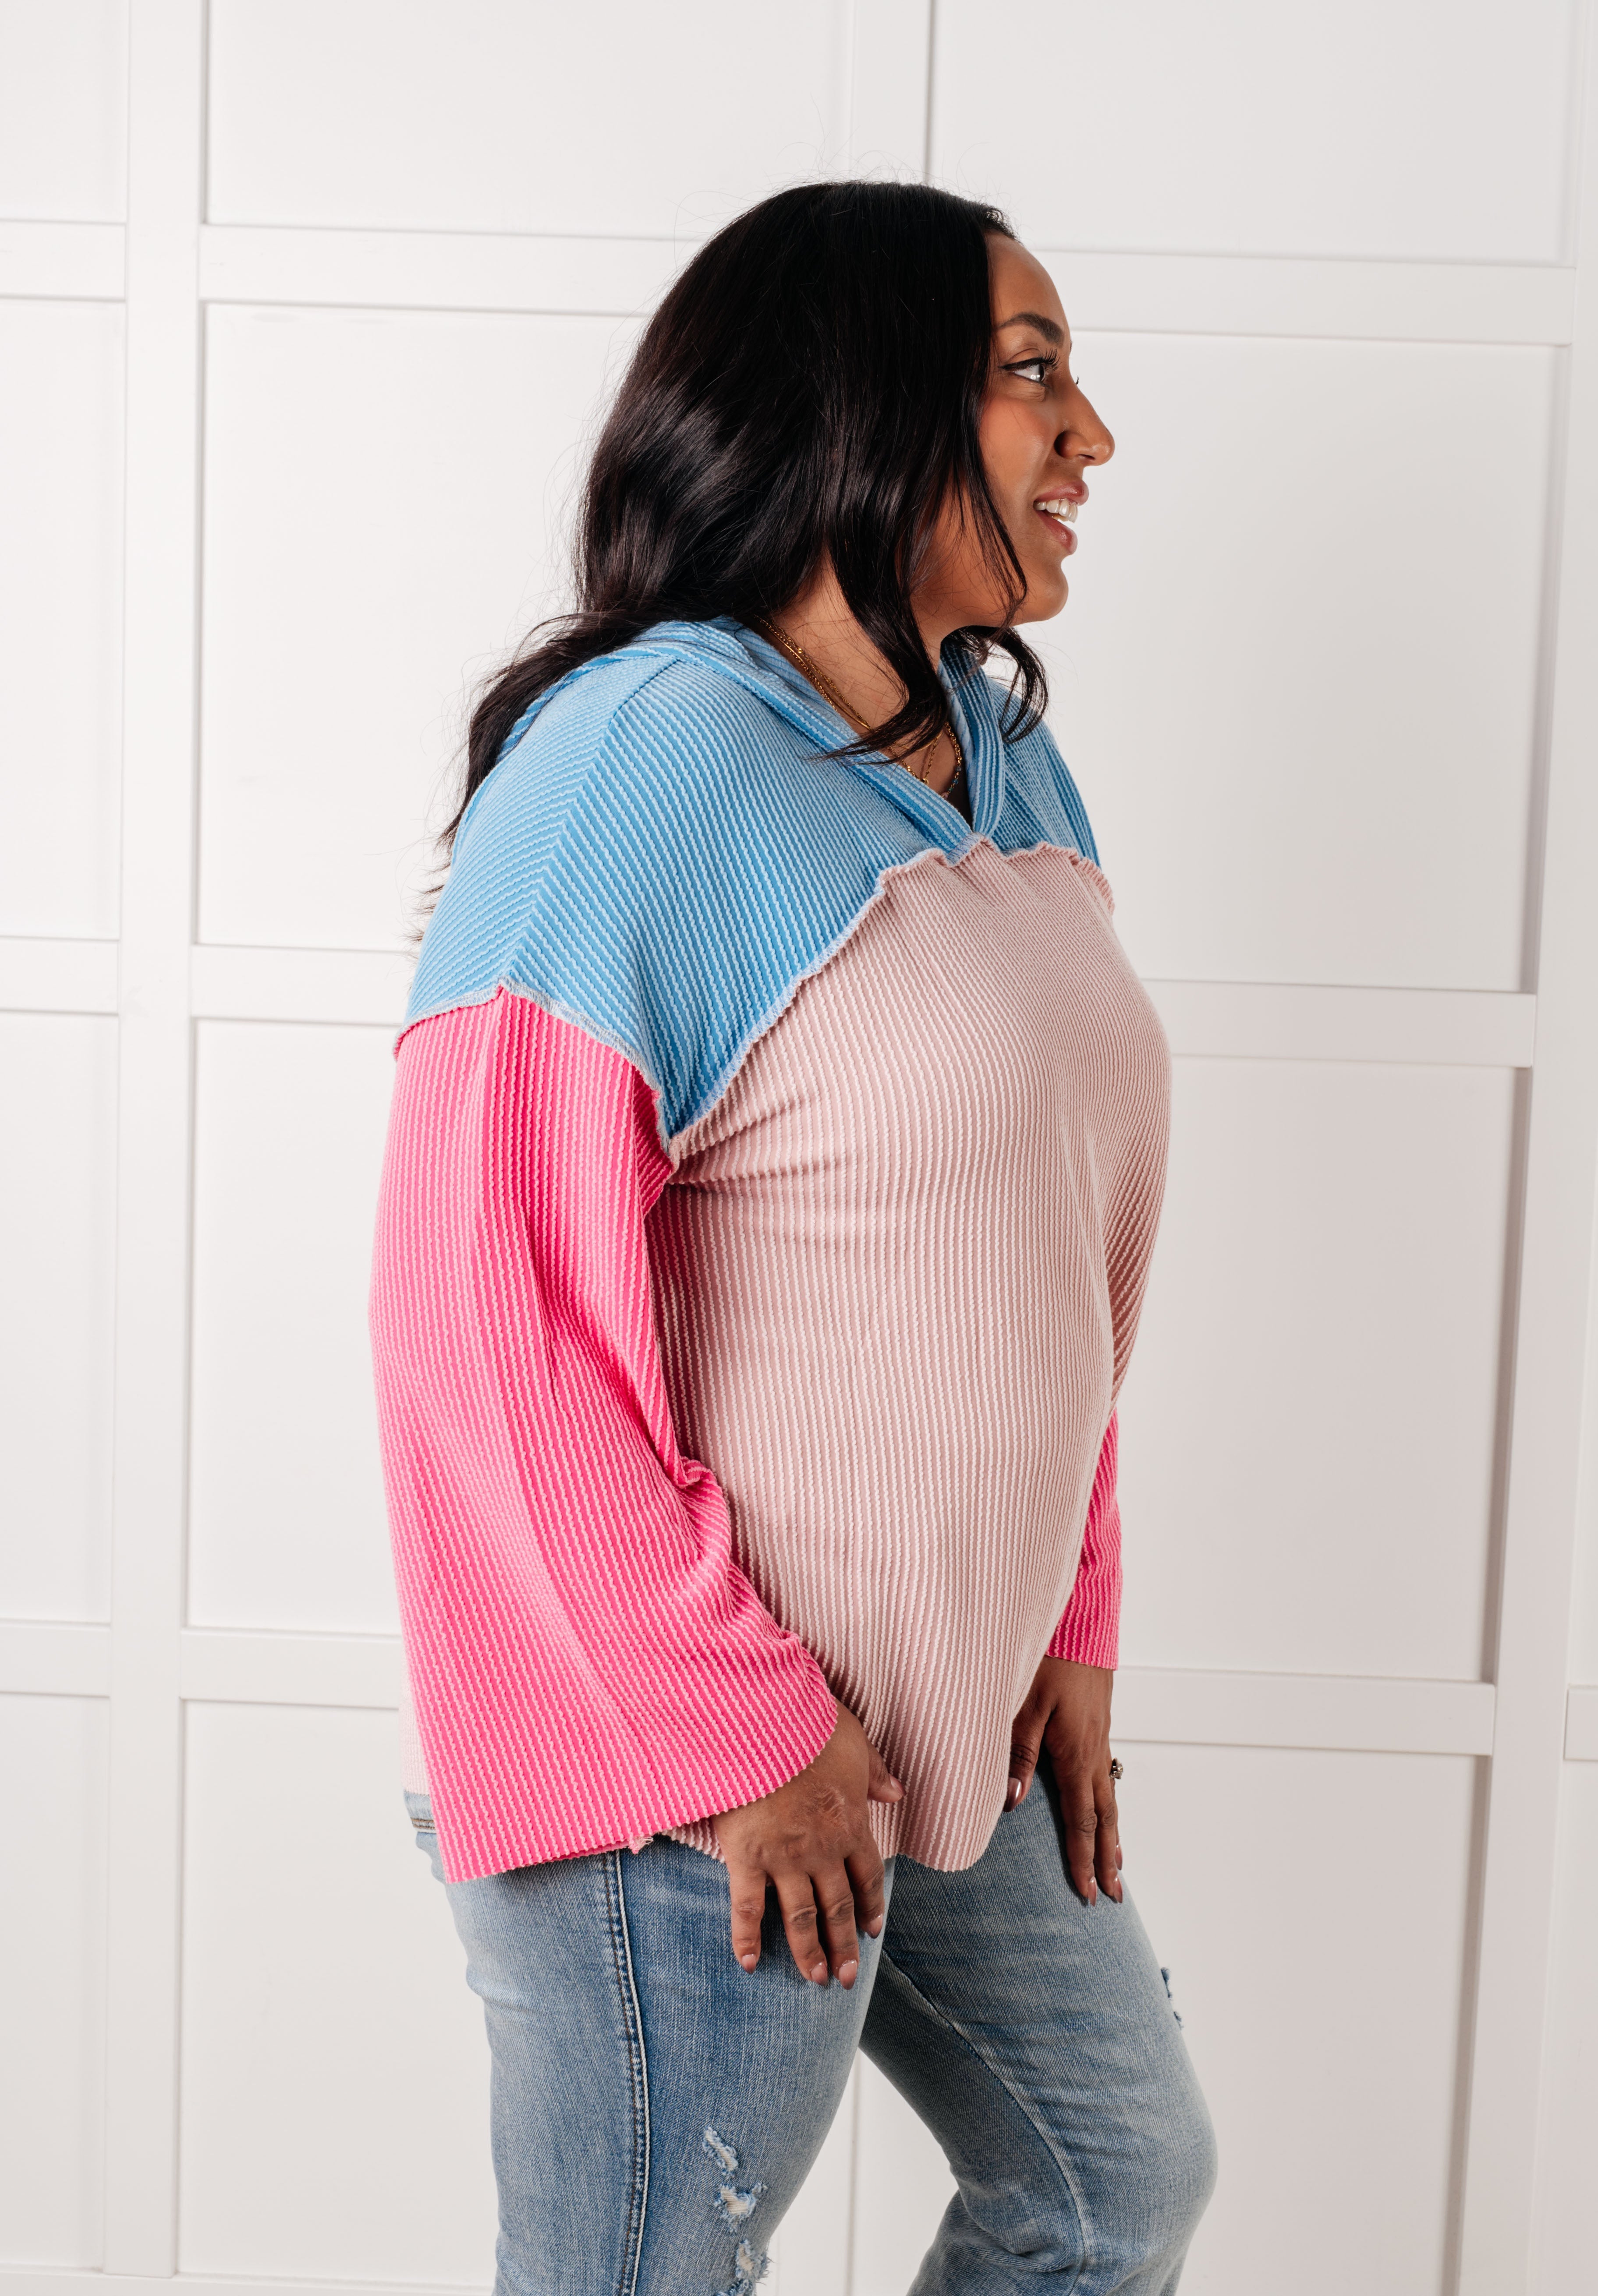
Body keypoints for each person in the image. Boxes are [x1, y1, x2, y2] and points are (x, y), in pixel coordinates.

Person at [369, 179, 1217, 2294]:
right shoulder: (642, 763)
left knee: (1113, 2184)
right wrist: (744, 1732)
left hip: (953, 1710)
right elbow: (482, 1315)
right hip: (688, 1756)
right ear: (859, 401)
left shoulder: (1008, 760)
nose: (1091, 433)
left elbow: (1044, 1245)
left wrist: (1074, 1614)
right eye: (1029, 371)